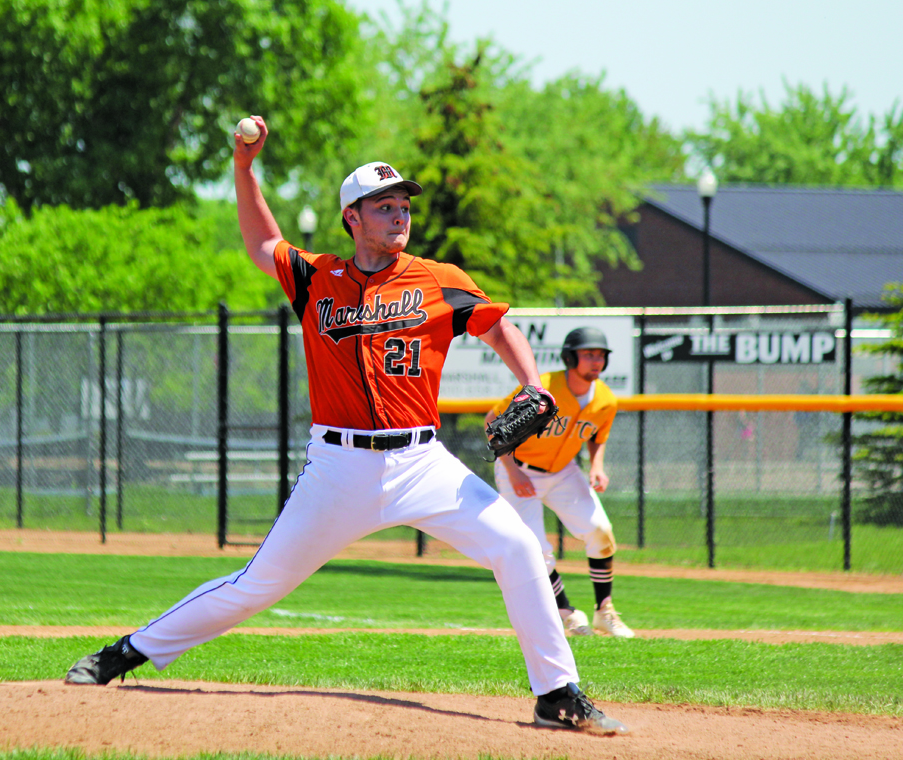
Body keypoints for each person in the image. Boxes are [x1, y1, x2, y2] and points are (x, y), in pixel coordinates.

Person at [65, 116, 628, 735]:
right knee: (257, 585)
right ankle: (128, 652)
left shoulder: (437, 278)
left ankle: (557, 692)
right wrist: (244, 168)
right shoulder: (318, 278)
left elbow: (498, 325)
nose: (399, 216)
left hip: (423, 463)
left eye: (403, 206)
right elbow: (261, 244)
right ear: (351, 218)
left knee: (519, 546)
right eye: (382, 206)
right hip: (338, 466)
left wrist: (530, 382)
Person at [485, 327, 634, 639]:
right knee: (535, 548)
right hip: (518, 469)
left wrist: (596, 465)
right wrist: (513, 472)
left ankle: (604, 610)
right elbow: (491, 421)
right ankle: (567, 612)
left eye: (601, 355)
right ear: (570, 357)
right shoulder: (544, 388)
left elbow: (597, 435)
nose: (596, 361)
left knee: (600, 530)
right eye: (589, 354)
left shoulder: (606, 399)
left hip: (563, 471)